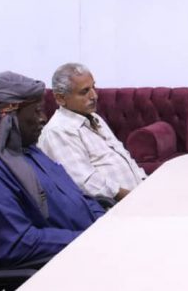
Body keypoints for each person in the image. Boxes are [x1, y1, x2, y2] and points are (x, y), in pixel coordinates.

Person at [0, 72, 104, 267]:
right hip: (57, 267)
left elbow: (80, 198)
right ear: (7, 117)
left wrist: (106, 225)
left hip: (89, 249)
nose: (43, 118)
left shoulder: (29, 150)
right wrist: (89, 240)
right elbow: (16, 244)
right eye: (36, 111)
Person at [38, 63, 146, 202]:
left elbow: (123, 156)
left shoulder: (93, 117)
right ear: (60, 98)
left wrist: (146, 185)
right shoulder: (58, 131)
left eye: (93, 87)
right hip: (114, 207)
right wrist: (135, 199)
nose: (94, 96)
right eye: (84, 92)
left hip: (137, 198)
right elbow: (85, 182)